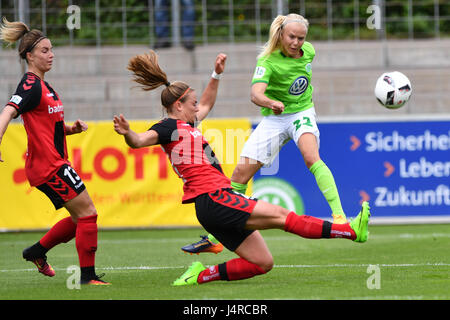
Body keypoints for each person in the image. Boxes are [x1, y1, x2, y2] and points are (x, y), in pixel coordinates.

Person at [113, 49, 371, 286]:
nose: (197, 108)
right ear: (178, 105)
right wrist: (128, 133)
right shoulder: (167, 127)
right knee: (283, 216)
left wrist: (216, 74)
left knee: (262, 262)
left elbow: (206, 103)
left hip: (212, 204)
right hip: (214, 198)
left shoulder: (188, 124)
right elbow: (139, 141)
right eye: (192, 104)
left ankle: (199, 275)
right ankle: (349, 231)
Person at [181, 13, 349, 255]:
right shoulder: (267, 61)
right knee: (239, 174)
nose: (297, 42)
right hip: (274, 117)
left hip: (301, 113)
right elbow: (255, 94)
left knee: (311, 157)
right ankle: (215, 238)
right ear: (281, 34)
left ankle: (339, 216)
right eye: (292, 37)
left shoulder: (310, 51)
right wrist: (271, 103)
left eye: (301, 38)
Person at [0, 18, 109, 285]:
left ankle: (37, 251)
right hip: (48, 166)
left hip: (55, 162)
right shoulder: (30, 85)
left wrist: (71, 129)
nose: (52, 55)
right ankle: (87, 277)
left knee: (80, 217)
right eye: (45, 51)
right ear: (29, 56)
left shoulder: (46, 87)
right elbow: (8, 111)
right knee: (89, 214)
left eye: (51, 50)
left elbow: (50, 128)